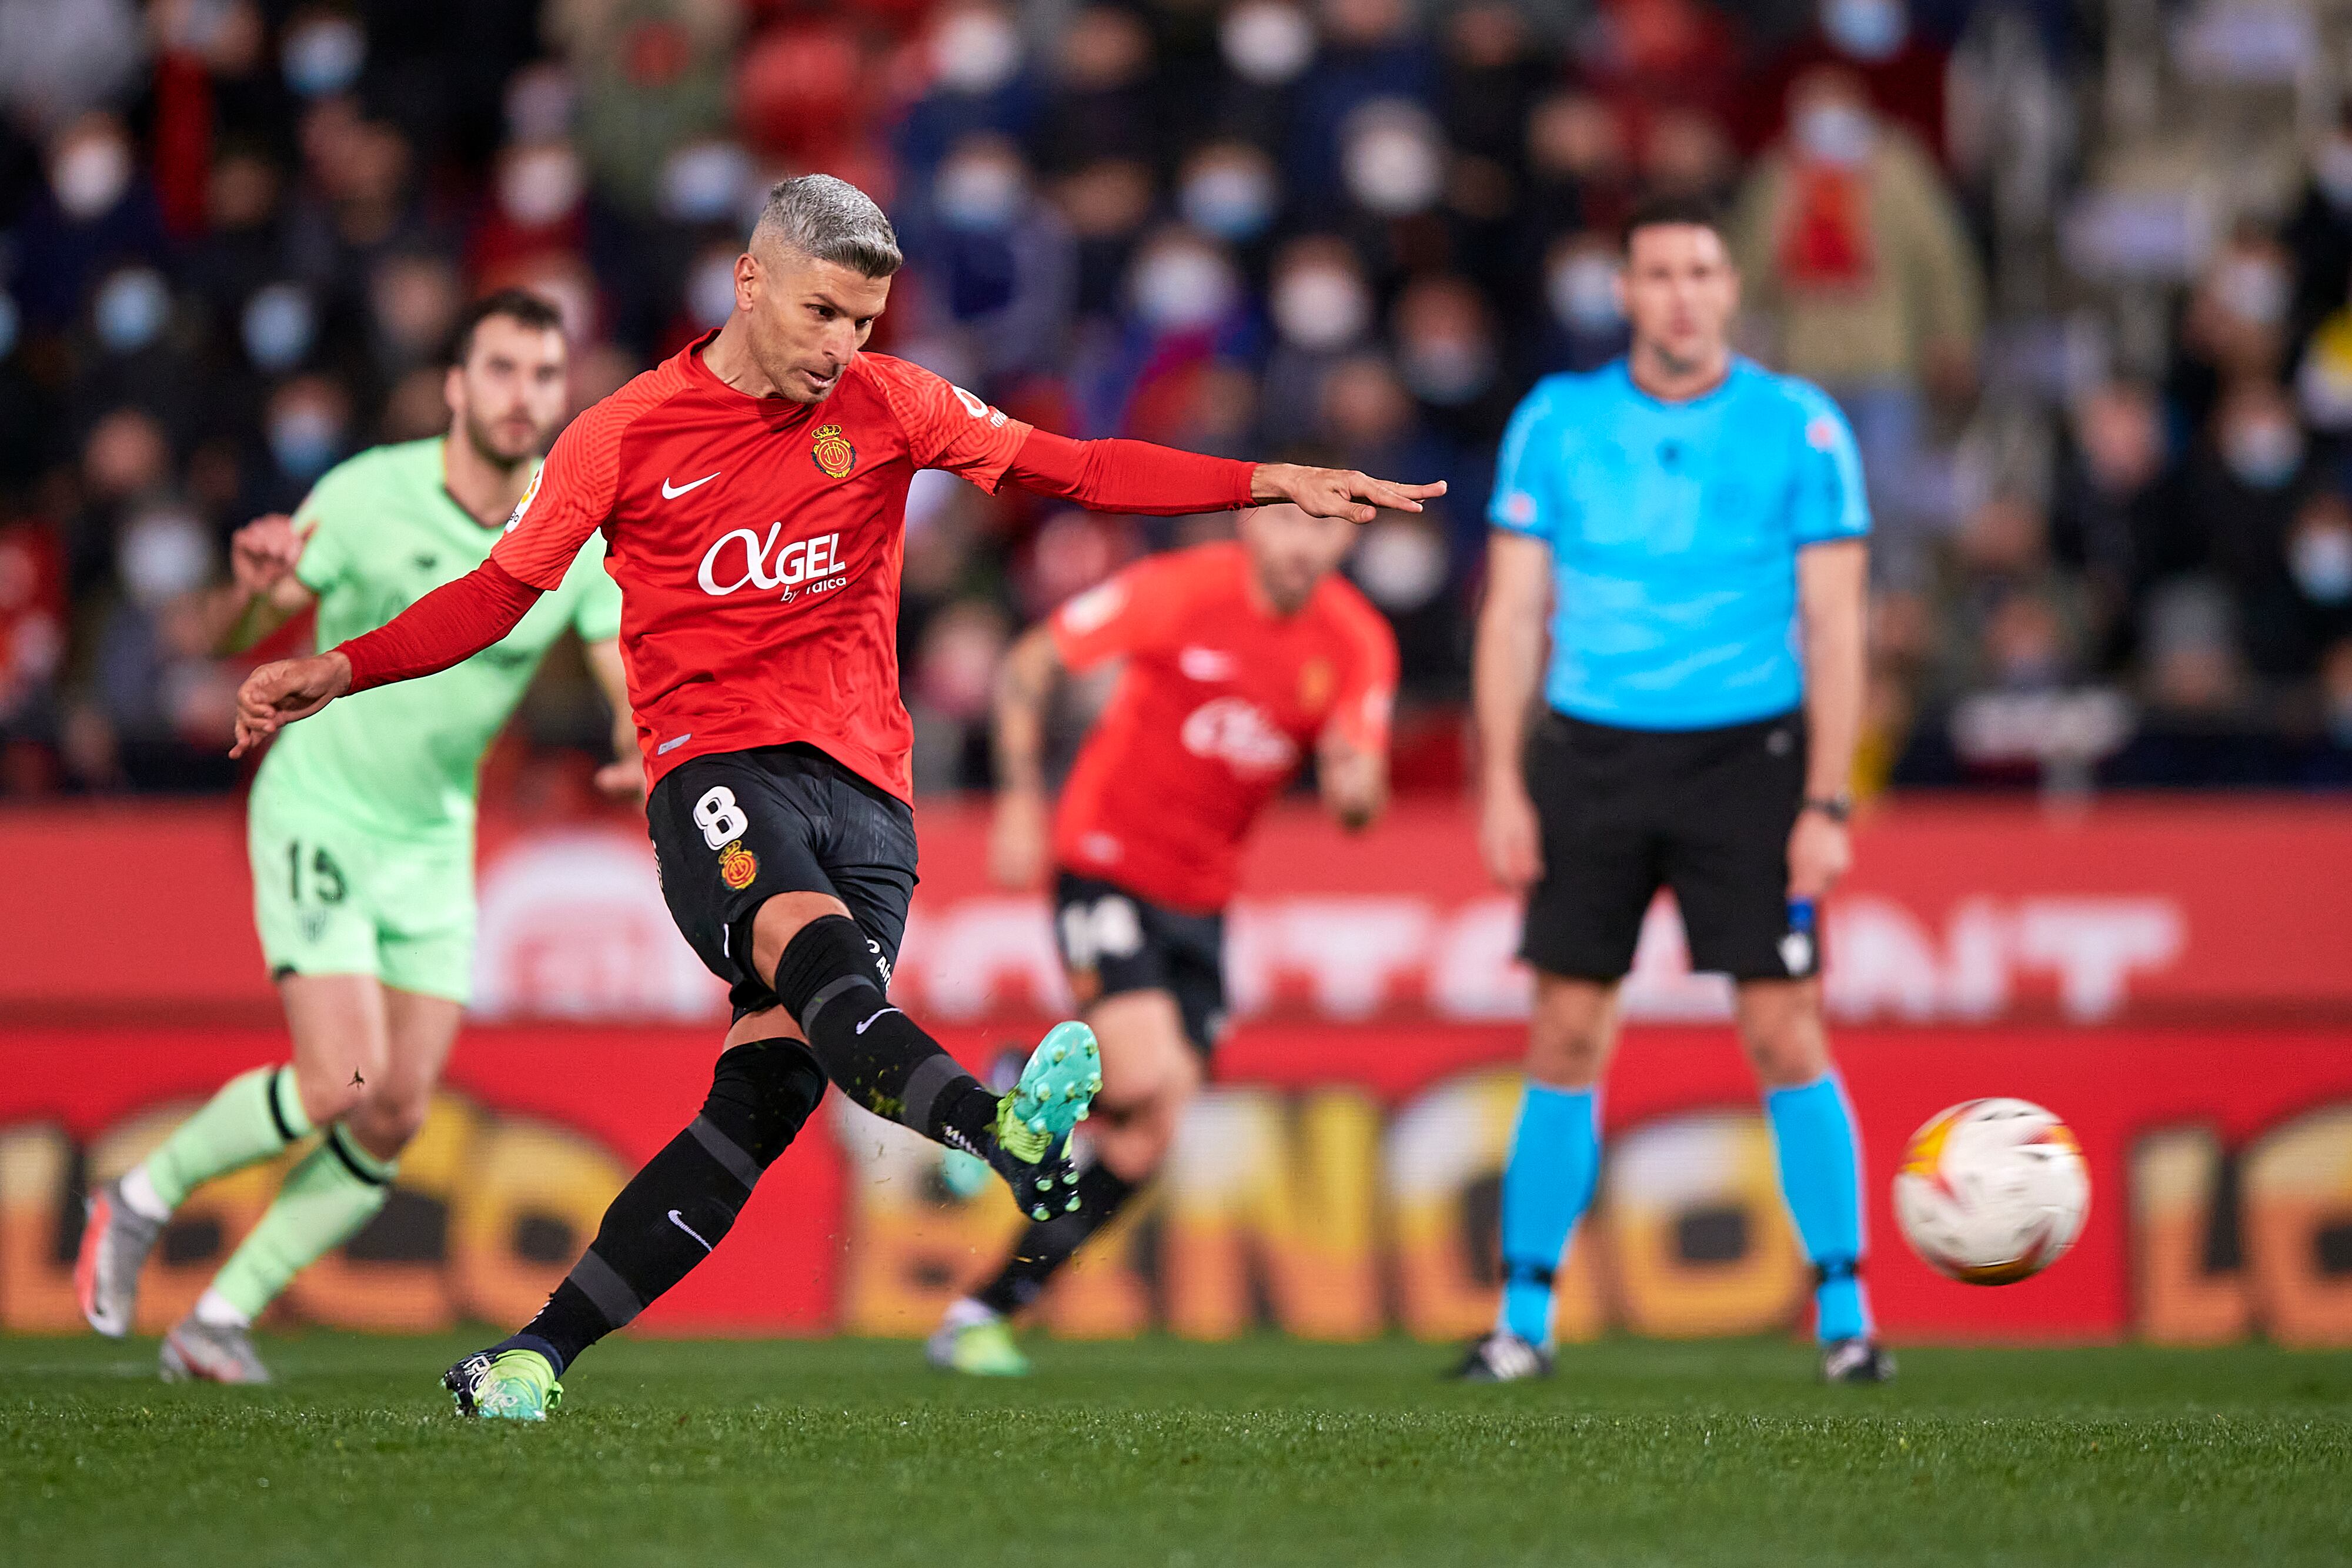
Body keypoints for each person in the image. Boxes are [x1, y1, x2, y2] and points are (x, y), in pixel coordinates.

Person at [228, 175, 1441, 1419]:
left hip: (873, 798)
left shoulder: (894, 402)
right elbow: (498, 593)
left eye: (862, 322)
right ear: (746, 281)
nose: (840, 348)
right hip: (715, 768)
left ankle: (530, 1355)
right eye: (821, 314)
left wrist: (1263, 479)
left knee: (759, 1104)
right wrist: (341, 664)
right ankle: (999, 1127)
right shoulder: (623, 431)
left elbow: (1072, 469)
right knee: (829, 981)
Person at [75, 290, 637, 1383]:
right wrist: (247, 595)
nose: (525, 396)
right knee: (342, 1080)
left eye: (544, 375)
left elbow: (619, 662)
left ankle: (214, 1323)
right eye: (504, 370)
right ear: (456, 388)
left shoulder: (569, 529)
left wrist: (633, 741)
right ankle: (138, 1194)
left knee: (397, 1115)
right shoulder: (369, 494)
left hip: (433, 835)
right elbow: (244, 631)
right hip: (324, 804)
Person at [1461, 192, 1886, 1384]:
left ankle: (1846, 1318)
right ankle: (1522, 1324)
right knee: (1563, 1028)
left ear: (1729, 287)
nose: (1680, 294)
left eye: (1700, 271)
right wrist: (1502, 780)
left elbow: (1838, 622)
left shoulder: (1801, 426)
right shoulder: (1555, 420)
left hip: (1748, 756)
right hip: (1588, 754)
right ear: (1623, 292)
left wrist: (1826, 800)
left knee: (1781, 1022)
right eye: (1657, 274)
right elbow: (1510, 614)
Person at [928, 500, 1398, 1375]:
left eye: (1326, 529)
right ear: (1254, 525)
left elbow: (1358, 802)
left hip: (1204, 899)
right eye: (1291, 522)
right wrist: (1021, 798)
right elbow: (1032, 662)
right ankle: (1001, 1102)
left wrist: (1355, 785)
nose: (1305, 545)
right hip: (1106, 857)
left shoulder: (1358, 642)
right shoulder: (1183, 590)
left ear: (1349, 539)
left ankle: (980, 1312)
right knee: (1140, 1075)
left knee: (1147, 1137)